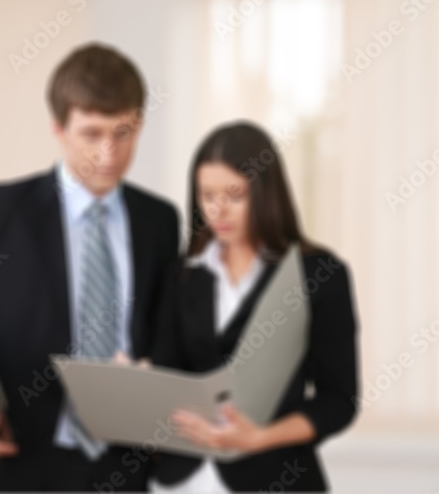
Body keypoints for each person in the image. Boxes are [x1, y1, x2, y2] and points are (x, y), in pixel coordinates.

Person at [0, 43, 180, 491]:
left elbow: (163, 333)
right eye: (92, 134)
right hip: (13, 468)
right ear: (59, 129)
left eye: (123, 133)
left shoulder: (158, 221)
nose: (109, 153)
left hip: (120, 471)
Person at [148, 121, 358, 492]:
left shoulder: (319, 275)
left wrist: (259, 437)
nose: (219, 210)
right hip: (184, 480)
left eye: (235, 195)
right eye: (207, 195)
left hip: (276, 475)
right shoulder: (180, 275)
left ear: (265, 193)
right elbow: (166, 375)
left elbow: (338, 400)